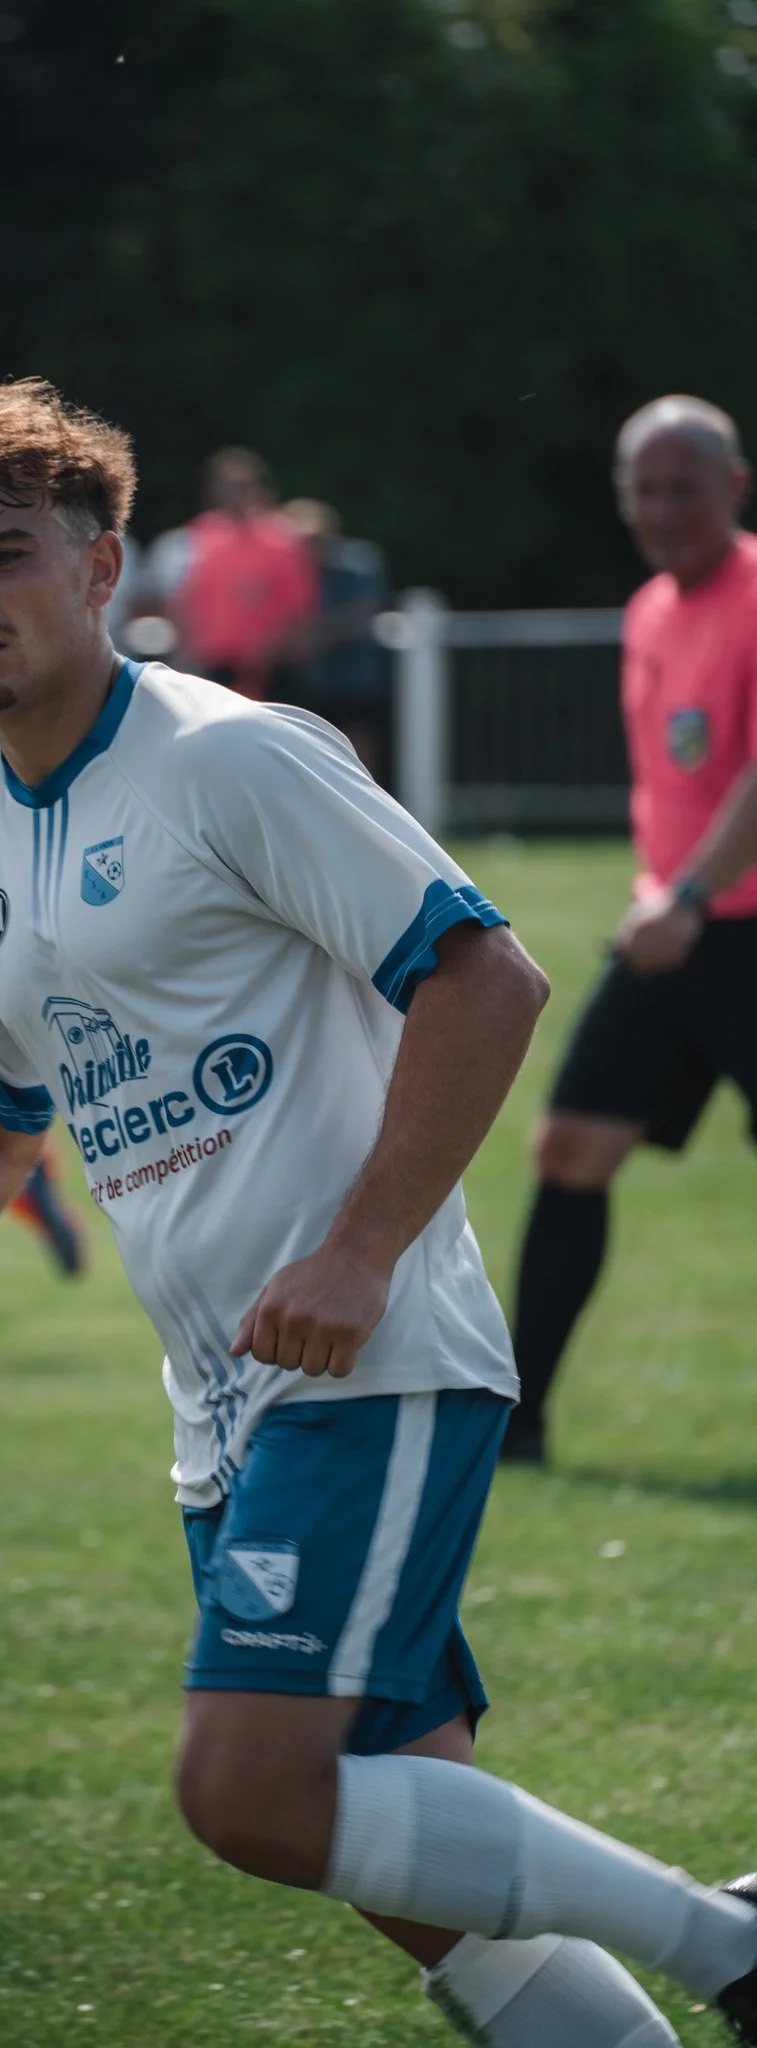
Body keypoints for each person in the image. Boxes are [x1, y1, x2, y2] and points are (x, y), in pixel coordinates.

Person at [0, 381, 757, 2047]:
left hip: (372, 1353)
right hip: (223, 1407)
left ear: (105, 561)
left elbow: (486, 977)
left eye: (2, 554)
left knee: (250, 1787)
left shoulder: (233, 756)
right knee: (401, 1859)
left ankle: (733, 1944)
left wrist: (358, 1248)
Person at [505, 394, 757, 1467]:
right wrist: (669, 896)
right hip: (671, 930)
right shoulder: (651, 606)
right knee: (570, 1148)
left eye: (683, 486)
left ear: (735, 486)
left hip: (728, 924)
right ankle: (516, 1426)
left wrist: (692, 897)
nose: (662, 508)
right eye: (644, 489)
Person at [170, 447, 317, 697]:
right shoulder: (201, 533)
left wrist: (273, 652)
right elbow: (188, 597)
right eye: (225, 485)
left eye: (240, 486)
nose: (232, 494)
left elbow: (300, 609)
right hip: (213, 663)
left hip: (270, 668)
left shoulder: (282, 538)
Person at [280, 498, 392, 784]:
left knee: (359, 745)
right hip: (307, 677)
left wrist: (313, 636)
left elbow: (363, 613)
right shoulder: (287, 569)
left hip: (352, 674)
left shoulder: (359, 564)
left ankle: (368, 802)